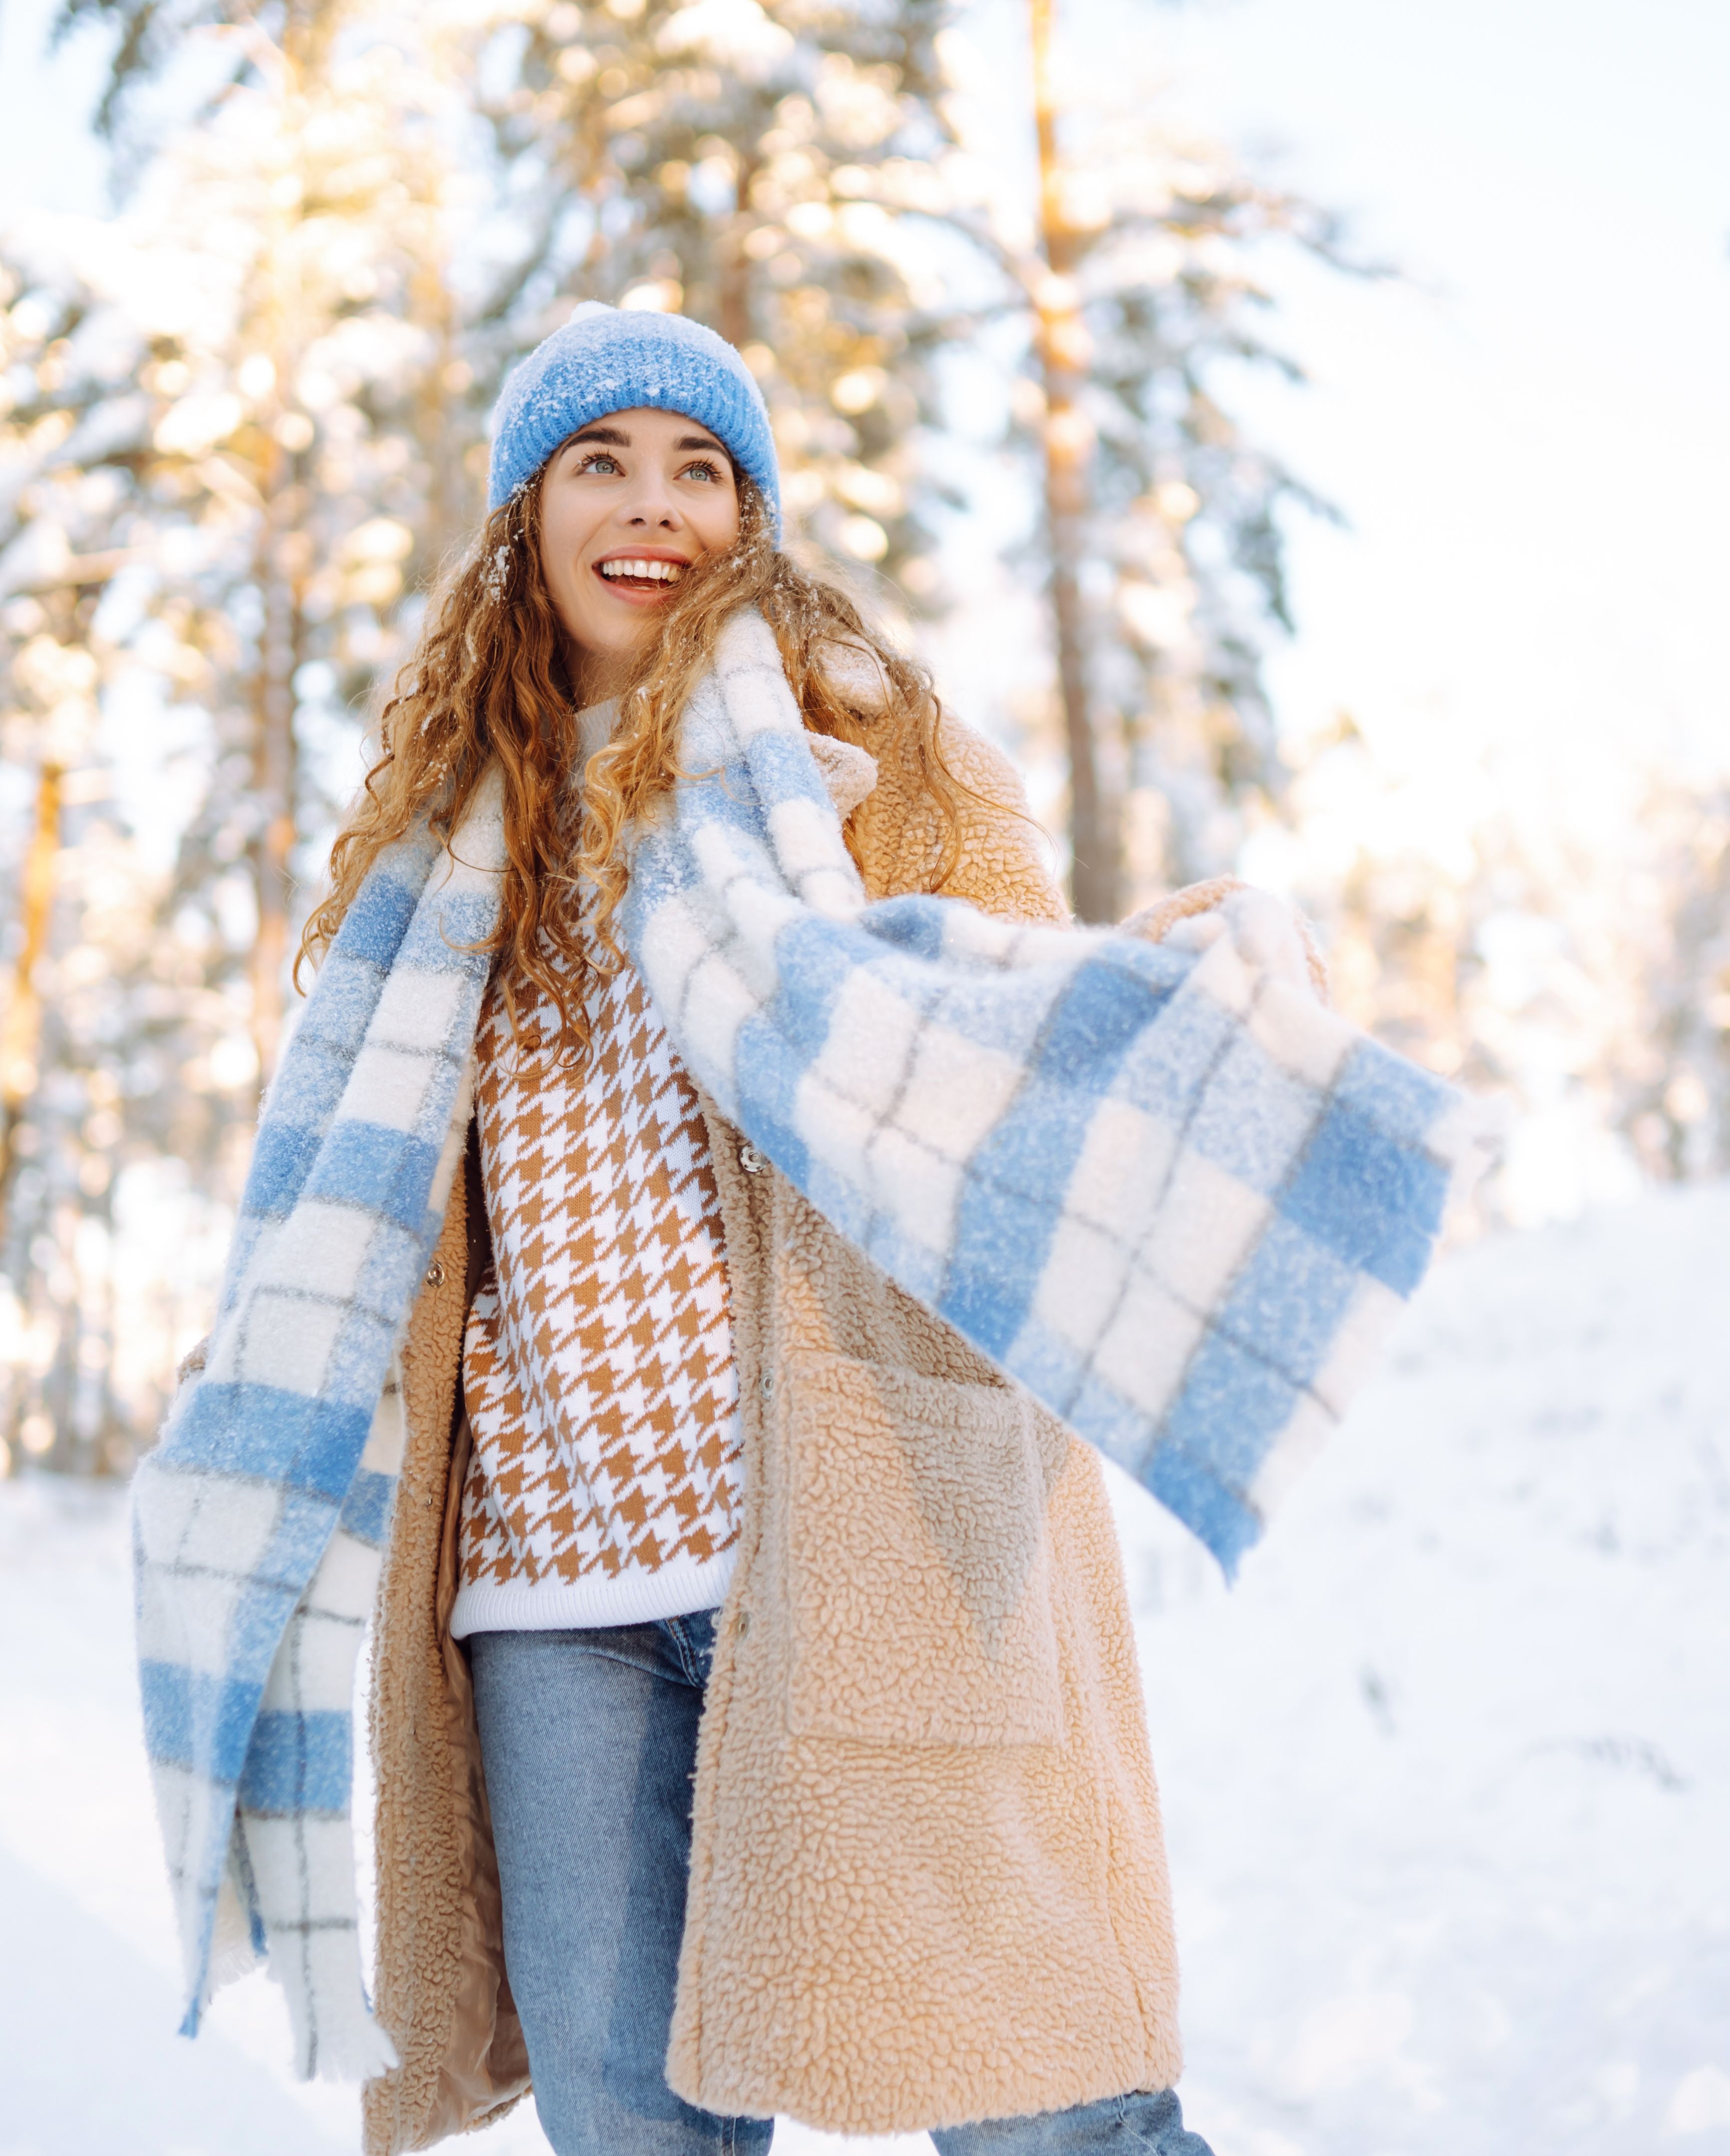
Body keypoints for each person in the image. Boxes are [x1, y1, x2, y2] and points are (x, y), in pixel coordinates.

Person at [313, 305, 1233, 2155]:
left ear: (751, 515)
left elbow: (1019, 1034)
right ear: (525, 514)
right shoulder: (425, 852)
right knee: (630, 2129)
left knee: (1042, 2093)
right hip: (552, 1589)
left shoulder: (879, 758)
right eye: (602, 461)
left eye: (700, 467)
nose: (654, 509)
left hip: (850, 1520)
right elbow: (341, 1207)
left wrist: (1172, 987)